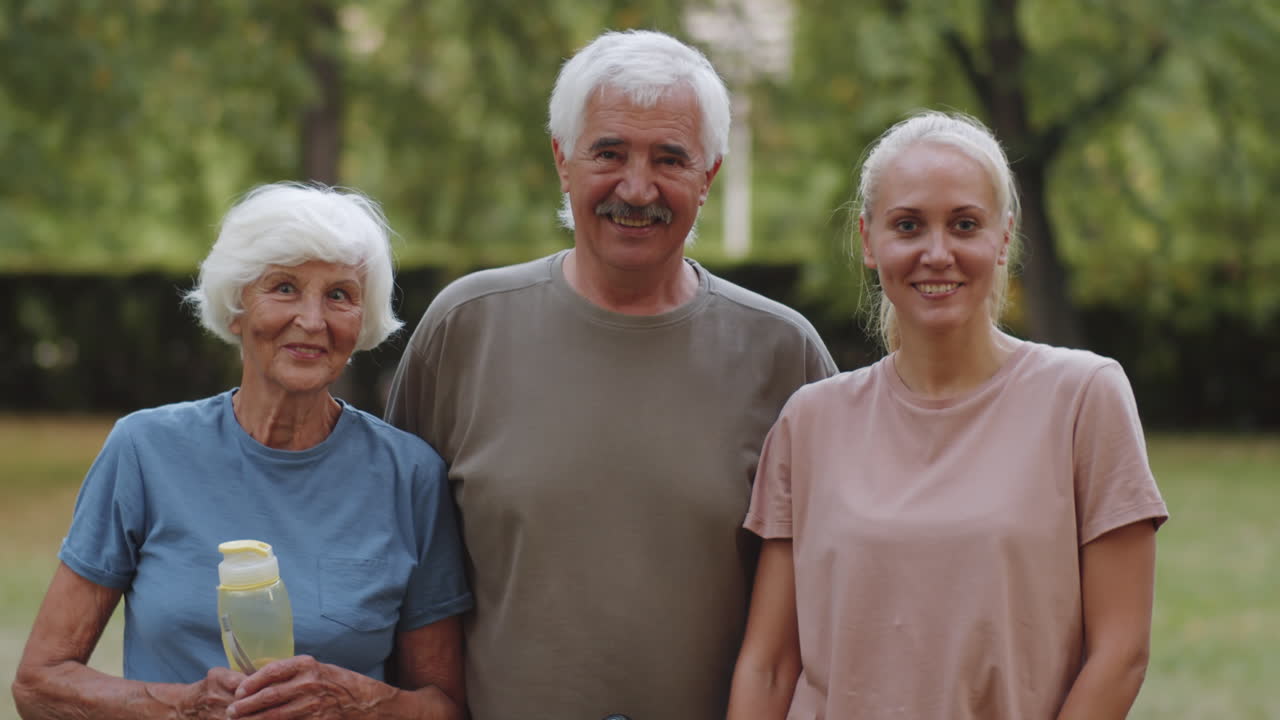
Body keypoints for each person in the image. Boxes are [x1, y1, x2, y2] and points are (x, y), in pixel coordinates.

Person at [384, 29, 836, 720]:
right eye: (609, 152)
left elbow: (833, 589)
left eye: (669, 158)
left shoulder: (783, 355)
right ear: (562, 160)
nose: (636, 186)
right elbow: (395, 558)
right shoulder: (465, 329)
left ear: (709, 175)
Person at [725, 110, 1169, 719]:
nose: (937, 253)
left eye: (964, 224)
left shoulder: (1083, 397)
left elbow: (1121, 654)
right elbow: (769, 666)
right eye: (908, 226)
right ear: (868, 242)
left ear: (1004, 237)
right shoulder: (811, 421)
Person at [12, 183, 472, 720]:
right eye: (283, 287)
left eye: (340, 295)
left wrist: (358, 704)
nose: (313, 320)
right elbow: (39, 684)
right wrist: (183, 707)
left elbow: (444, 708)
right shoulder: (145, 451)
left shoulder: (411, 475)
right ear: (235, 309)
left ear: (362, 321)